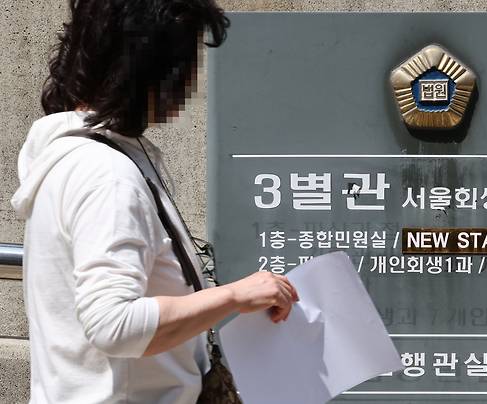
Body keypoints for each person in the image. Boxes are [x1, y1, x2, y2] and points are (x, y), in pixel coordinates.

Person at [10, 1, 299, 403]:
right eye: (188, 60)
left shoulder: (73, 160)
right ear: (153, 65)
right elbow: (115, 325)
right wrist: (234, 296)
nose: (193, 79)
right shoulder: (106, 175)